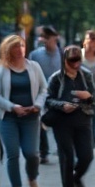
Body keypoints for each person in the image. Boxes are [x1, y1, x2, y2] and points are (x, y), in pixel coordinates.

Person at [0, 35, 48, 187]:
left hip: (31, 116)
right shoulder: (1, 69)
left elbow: (44, 88)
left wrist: (37, 105)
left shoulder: (34, 67)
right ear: (8, 49)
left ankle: (33, 180)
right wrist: (12, 106)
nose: (20, 49)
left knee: (32, 153)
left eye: (22, 46)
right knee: (13, 154)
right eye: (16, 46)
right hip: (8, 118)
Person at [44, 45, 95, 187]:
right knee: (66, 157)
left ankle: (76, 177)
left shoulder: (86, 75)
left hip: (83, 119)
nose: (75, 63)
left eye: (78, 60)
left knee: (87, 156)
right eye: (72, 60)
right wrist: (62, 105)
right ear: (64, 60)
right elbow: (47, 99)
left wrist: (88, 96)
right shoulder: (55, 78)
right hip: (62, 121)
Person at [29, 25, 61, 164]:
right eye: (44, 37)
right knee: (40, 122)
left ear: (55, 38)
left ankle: (61, 149)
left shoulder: (62, 54)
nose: (45, 40)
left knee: (59, 124)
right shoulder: (35, 55)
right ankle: (44, 152)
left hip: (58, 95)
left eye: (48, 37)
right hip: (40, 94)